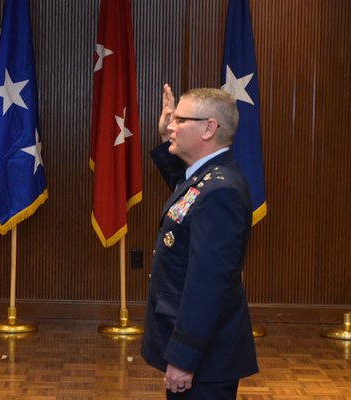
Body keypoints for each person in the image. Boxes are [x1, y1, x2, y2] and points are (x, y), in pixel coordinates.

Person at [141, 84, 258, 399]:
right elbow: (186, 194)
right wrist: (168, 139)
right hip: (202, 352)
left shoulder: (221, 191)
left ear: (209, 128)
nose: (171, 125)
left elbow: (208, 285)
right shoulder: (206, 177)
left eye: (180, 120)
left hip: (206, 359)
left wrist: (183, 357)